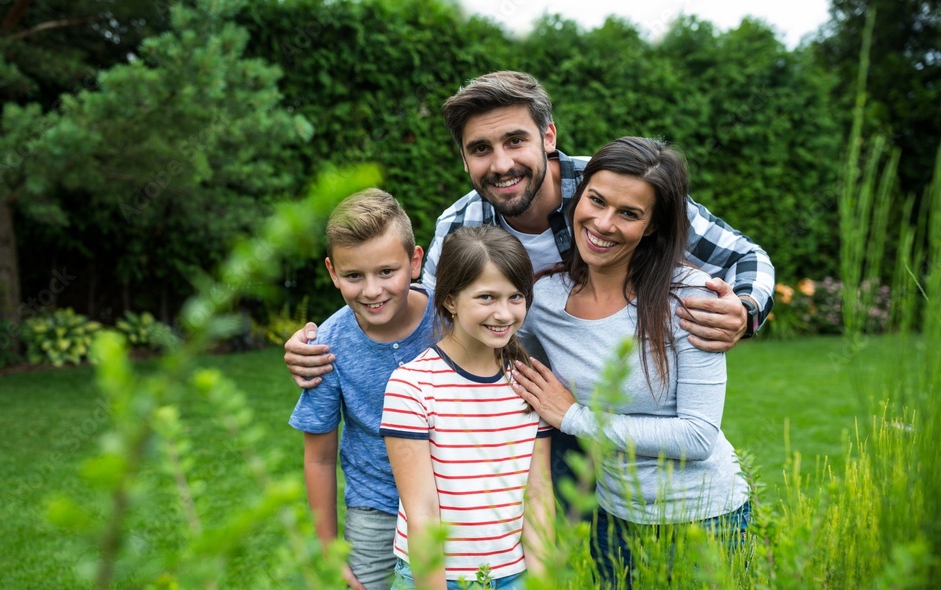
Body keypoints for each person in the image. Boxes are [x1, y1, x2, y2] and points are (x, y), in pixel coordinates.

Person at [284, 70, 774, 500]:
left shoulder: (613, 187)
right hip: (529, 404)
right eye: (480, 149)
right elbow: (425, 310)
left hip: (633, 395)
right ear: (463, 158)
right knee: (551, 553)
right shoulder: (461, 224)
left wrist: (747, 308)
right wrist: (321, 340)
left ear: (549, 136)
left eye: (515, 141)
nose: (500, 164)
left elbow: (746, 257)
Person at [509, 137, 751, 588]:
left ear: (653, 225)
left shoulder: (691, 298)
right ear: (577, 197)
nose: (603, 223)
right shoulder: (543, 300)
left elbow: (698, 436)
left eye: (629, 213)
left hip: (706, 521)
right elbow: (508, 371)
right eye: (596, 201)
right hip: (612, 519)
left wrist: (574, 417)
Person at [381, 225, 554, 590]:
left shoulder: (528, 382)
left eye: (516, 297)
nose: (504, 313)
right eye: (487, 297)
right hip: (435, 588)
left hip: (513, 582)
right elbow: (422, 513)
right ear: (449, 300)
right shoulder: (413, 386)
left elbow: (539, 495)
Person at [288, 188, 434, 590]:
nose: (372, 290)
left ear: (415, 261)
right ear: (333, 272)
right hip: (376, 511)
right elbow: (318, 456)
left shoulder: (451, 319)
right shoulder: (326, 347)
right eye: (354, 276)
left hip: (451, 501)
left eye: (387, 271)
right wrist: (329, 547)